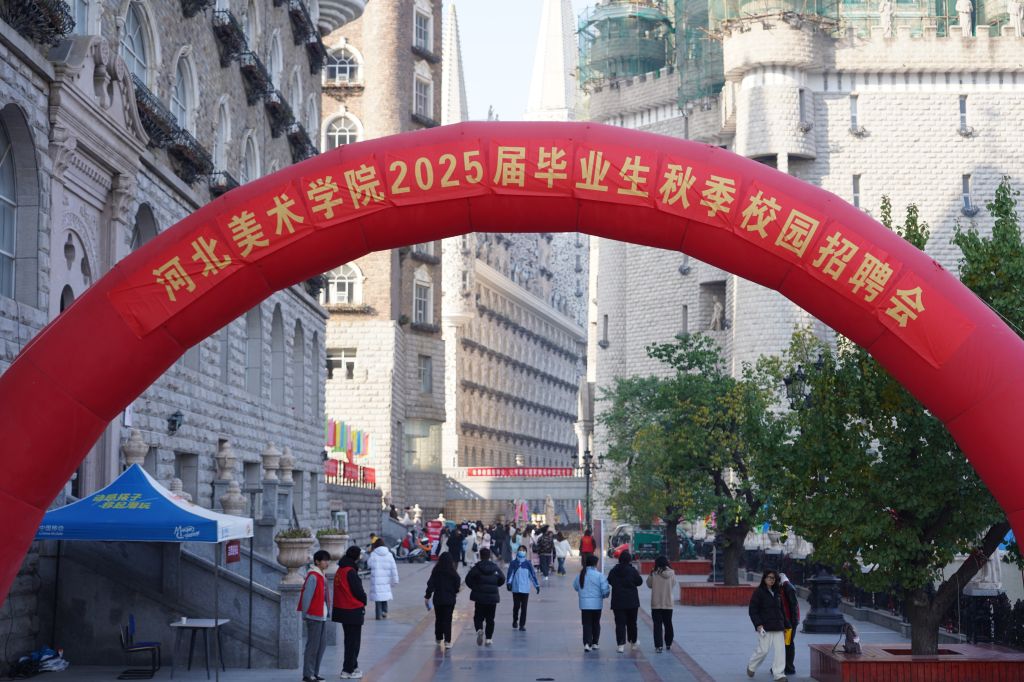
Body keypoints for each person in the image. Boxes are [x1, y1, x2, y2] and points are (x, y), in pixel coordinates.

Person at [746, 569, 790, 682]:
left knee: (780, 652)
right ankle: (751, 666)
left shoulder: (777, 593)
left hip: (778, 626)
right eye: (769, 577)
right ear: (764, 578)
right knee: (763, 650)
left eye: (774, 578)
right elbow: (753, 610)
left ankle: (779, 675)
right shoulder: (759, 592)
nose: (772, 580)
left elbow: (781, 610)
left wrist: (786, 625)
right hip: (765, 627)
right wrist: (758, 624)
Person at [332, 546, 367, 680]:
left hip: (343, 610)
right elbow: (358, 591)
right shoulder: (350, 571)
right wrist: (364, 599)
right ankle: (348, 670)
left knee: (349, 640)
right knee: (353, 642)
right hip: (353, 609)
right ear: (356, 556)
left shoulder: (340, 569)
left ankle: (353, 665)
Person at [299, 550, 331, 682]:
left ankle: (315, 673)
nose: (327, 563)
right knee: (312, 646)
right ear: (317, 561)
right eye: (324, 560)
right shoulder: (313, 576)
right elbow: (307, 596)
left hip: (321, 615)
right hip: (313, 615)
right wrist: (305, 614)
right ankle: (308, 674)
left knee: (321, 646)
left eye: (328, 560)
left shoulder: (322, 575)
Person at [464, 547, 505, 646]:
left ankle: (479, 629)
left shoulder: (476, 568)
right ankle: (489, 639)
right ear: (489, 556)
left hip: (480, 597)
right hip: (492, 598)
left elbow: (468, 579)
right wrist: (495, 585)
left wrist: (475, 587)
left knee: (478, 617)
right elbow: (502, 579)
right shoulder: (495, 567)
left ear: (480, 556)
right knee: (490, 619)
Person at [425, 552, 461, 652]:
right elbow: (457, 583)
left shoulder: (436, 571)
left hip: (438, 599)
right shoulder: (453, 572)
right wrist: (455, 591)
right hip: (450, 600)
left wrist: (427, 596)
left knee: (439, 618)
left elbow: (430, 585)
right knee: (448, 620)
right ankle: (447, 641)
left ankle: (438, 637)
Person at [574, 553, 610, 653]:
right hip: (597, 604)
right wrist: (605, 595)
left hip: (584, 605)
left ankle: (587, 643)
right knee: (596, 623)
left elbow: (576, 587)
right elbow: (605, 589)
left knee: (586, 624)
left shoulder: (581, 575)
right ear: (595, 564)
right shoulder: (599, 575)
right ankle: (595, 643)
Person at [607, 550, 643, 652]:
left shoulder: (614, 570)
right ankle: (633, 642)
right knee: (632, 623)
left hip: (618, 601)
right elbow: (639, 582)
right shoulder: (632, 570)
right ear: (629, 560)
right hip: (632, 601)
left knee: (620, 623)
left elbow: (609, 580)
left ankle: (620, 645)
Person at [506, 544, 540, 631]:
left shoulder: (528, 564)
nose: (522, 551)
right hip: (516, 589)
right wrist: (509, 583)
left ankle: (522, 625)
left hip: (525, 589)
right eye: (520, 550)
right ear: (517, 551)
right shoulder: (513, 563)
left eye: (523, 550)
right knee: (516, 606)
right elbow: (510, 574)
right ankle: (515, 620)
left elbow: (532, 576)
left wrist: (537, 585)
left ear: (526, 552)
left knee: (524, 608)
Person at [647, 555, 676, 653]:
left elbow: (649, 584)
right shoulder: (672, 573)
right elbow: (673, 584)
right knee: (668, 623)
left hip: (656, 603)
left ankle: (658, 646)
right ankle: (668, 643)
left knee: (657, 625)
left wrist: (651, 574)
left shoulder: (654, 573)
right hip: (668, 603)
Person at [367, 538, 399, 620]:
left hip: (376, 580)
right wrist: (395, 579)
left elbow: (369, 564)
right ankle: (385, 612)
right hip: (386, 580)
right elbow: (393, 568)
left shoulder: (374, 554)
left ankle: (378, 615)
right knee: (384, 595)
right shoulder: (389, 554)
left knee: (378, 597)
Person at [778, 572, 800, 675]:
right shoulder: (783, 587)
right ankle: (782, 666)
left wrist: (793, 622)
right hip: (786, 620)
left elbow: (793, 606)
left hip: (789, 622)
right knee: (784, 643)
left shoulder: (788, 588)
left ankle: (789, 667)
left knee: (788, 643)